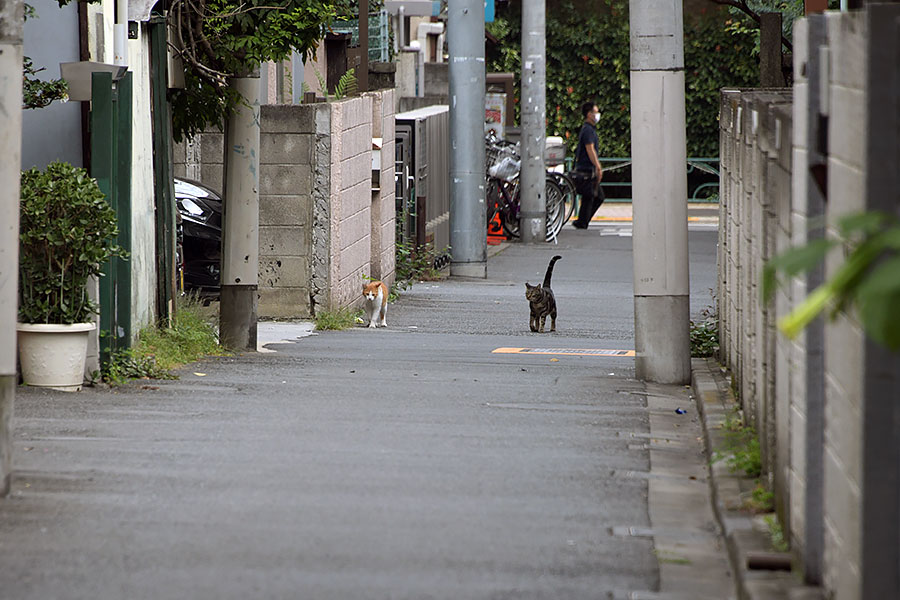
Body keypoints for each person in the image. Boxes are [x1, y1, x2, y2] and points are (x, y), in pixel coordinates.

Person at [571, 102, 605, 229]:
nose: (597, 115)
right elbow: (590, 149)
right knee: (592, 196)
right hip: (587, 168)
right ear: (589, 114)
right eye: (596, 112)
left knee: (591, 196)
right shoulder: (588, 130)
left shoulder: (588, 129)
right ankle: (582, 221)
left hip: (587, 167)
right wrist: (598, 166)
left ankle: (582, 221)